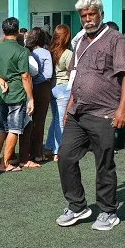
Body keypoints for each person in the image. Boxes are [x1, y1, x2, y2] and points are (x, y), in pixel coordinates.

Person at [55, 0, 125, 231]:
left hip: (105, 113)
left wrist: (122, 109)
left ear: (101, 14)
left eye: (92, 14)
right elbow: (75, 75)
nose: (88, 19)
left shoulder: (116, 40)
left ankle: (108, 211)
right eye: (83, 16)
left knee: (104, 164)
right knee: (65, 157)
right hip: (77, 113)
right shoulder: (79, 42)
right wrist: (69, 106)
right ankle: (77, 206)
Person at [0, 17, 34, 173]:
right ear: (18, 31)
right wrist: (31, 98)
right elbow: (25, 76)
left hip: (1, 93)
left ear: (2, 30)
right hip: (16, 93)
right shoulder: (21, 50)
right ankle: (5, 163)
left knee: (1, 127)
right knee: (14, 128)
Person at [45, 24, 74, 160]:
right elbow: (73, 72)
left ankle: (50, 147)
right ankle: (58, 150)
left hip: (51, 87)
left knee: (55, 119)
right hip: (63, 88)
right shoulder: (68, 54)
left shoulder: (49, 52)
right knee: (62, 121)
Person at [25, 27, 52, 164]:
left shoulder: (27, 52)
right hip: (41, 89)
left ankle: (26, 152)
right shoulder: (45, 53)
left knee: (28, 122)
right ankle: (37, 154)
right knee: (39, 122)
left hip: (27, 88)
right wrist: (36, 80)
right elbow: (48, 74)